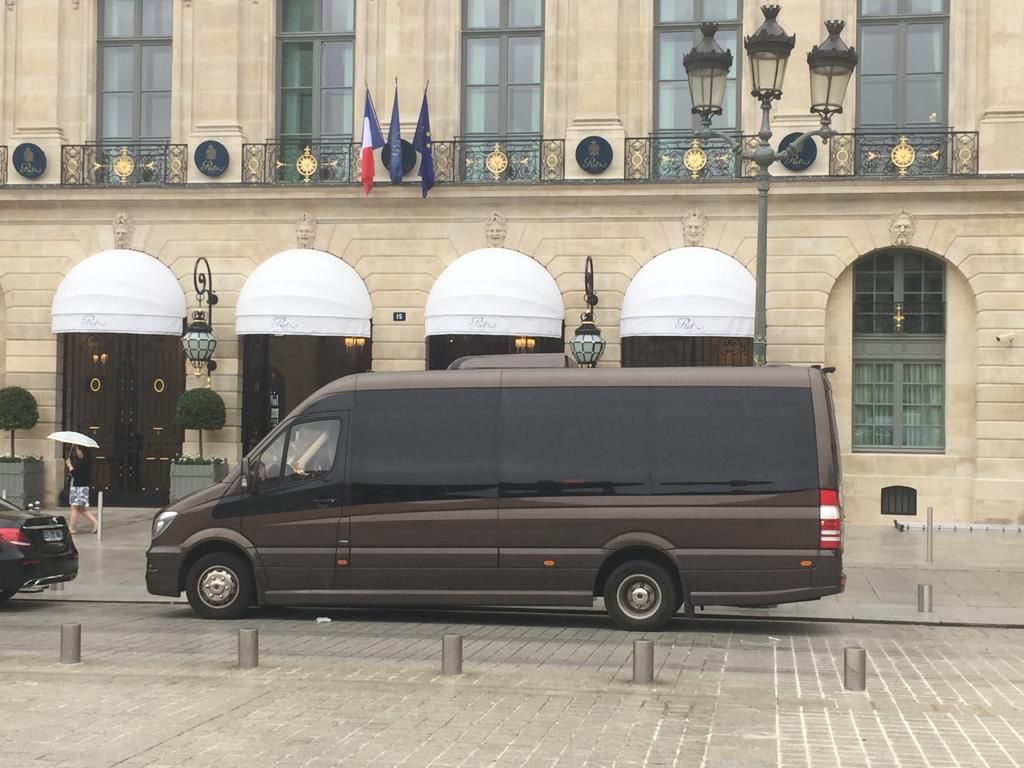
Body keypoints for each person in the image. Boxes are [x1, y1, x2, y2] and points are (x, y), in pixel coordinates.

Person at [66, 446, 98, 534]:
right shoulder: (87, 461)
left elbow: (75, 474)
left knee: (75, 508)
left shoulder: (82, 462)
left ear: (81, 451)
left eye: (77, 450)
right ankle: (96, 523)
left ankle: (72, 528)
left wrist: (69, 465)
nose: (76, 452)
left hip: (78, 487)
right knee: (81, 509)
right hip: (83, 487)